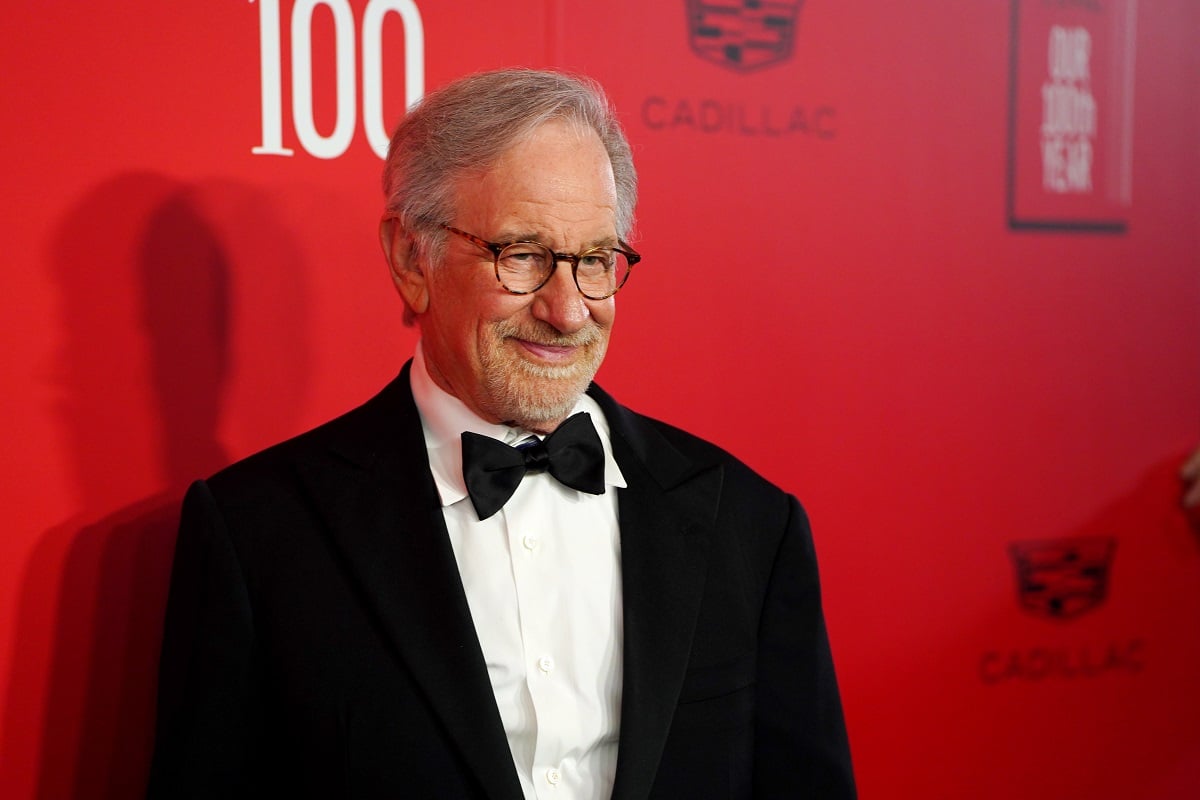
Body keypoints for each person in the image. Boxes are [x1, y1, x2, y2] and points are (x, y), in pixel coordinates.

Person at [148, 68, 855, 799]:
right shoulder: (260, 534)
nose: (569, 311)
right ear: (410, 258)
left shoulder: (749, 525)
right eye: (521, 256)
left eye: (594, 261)